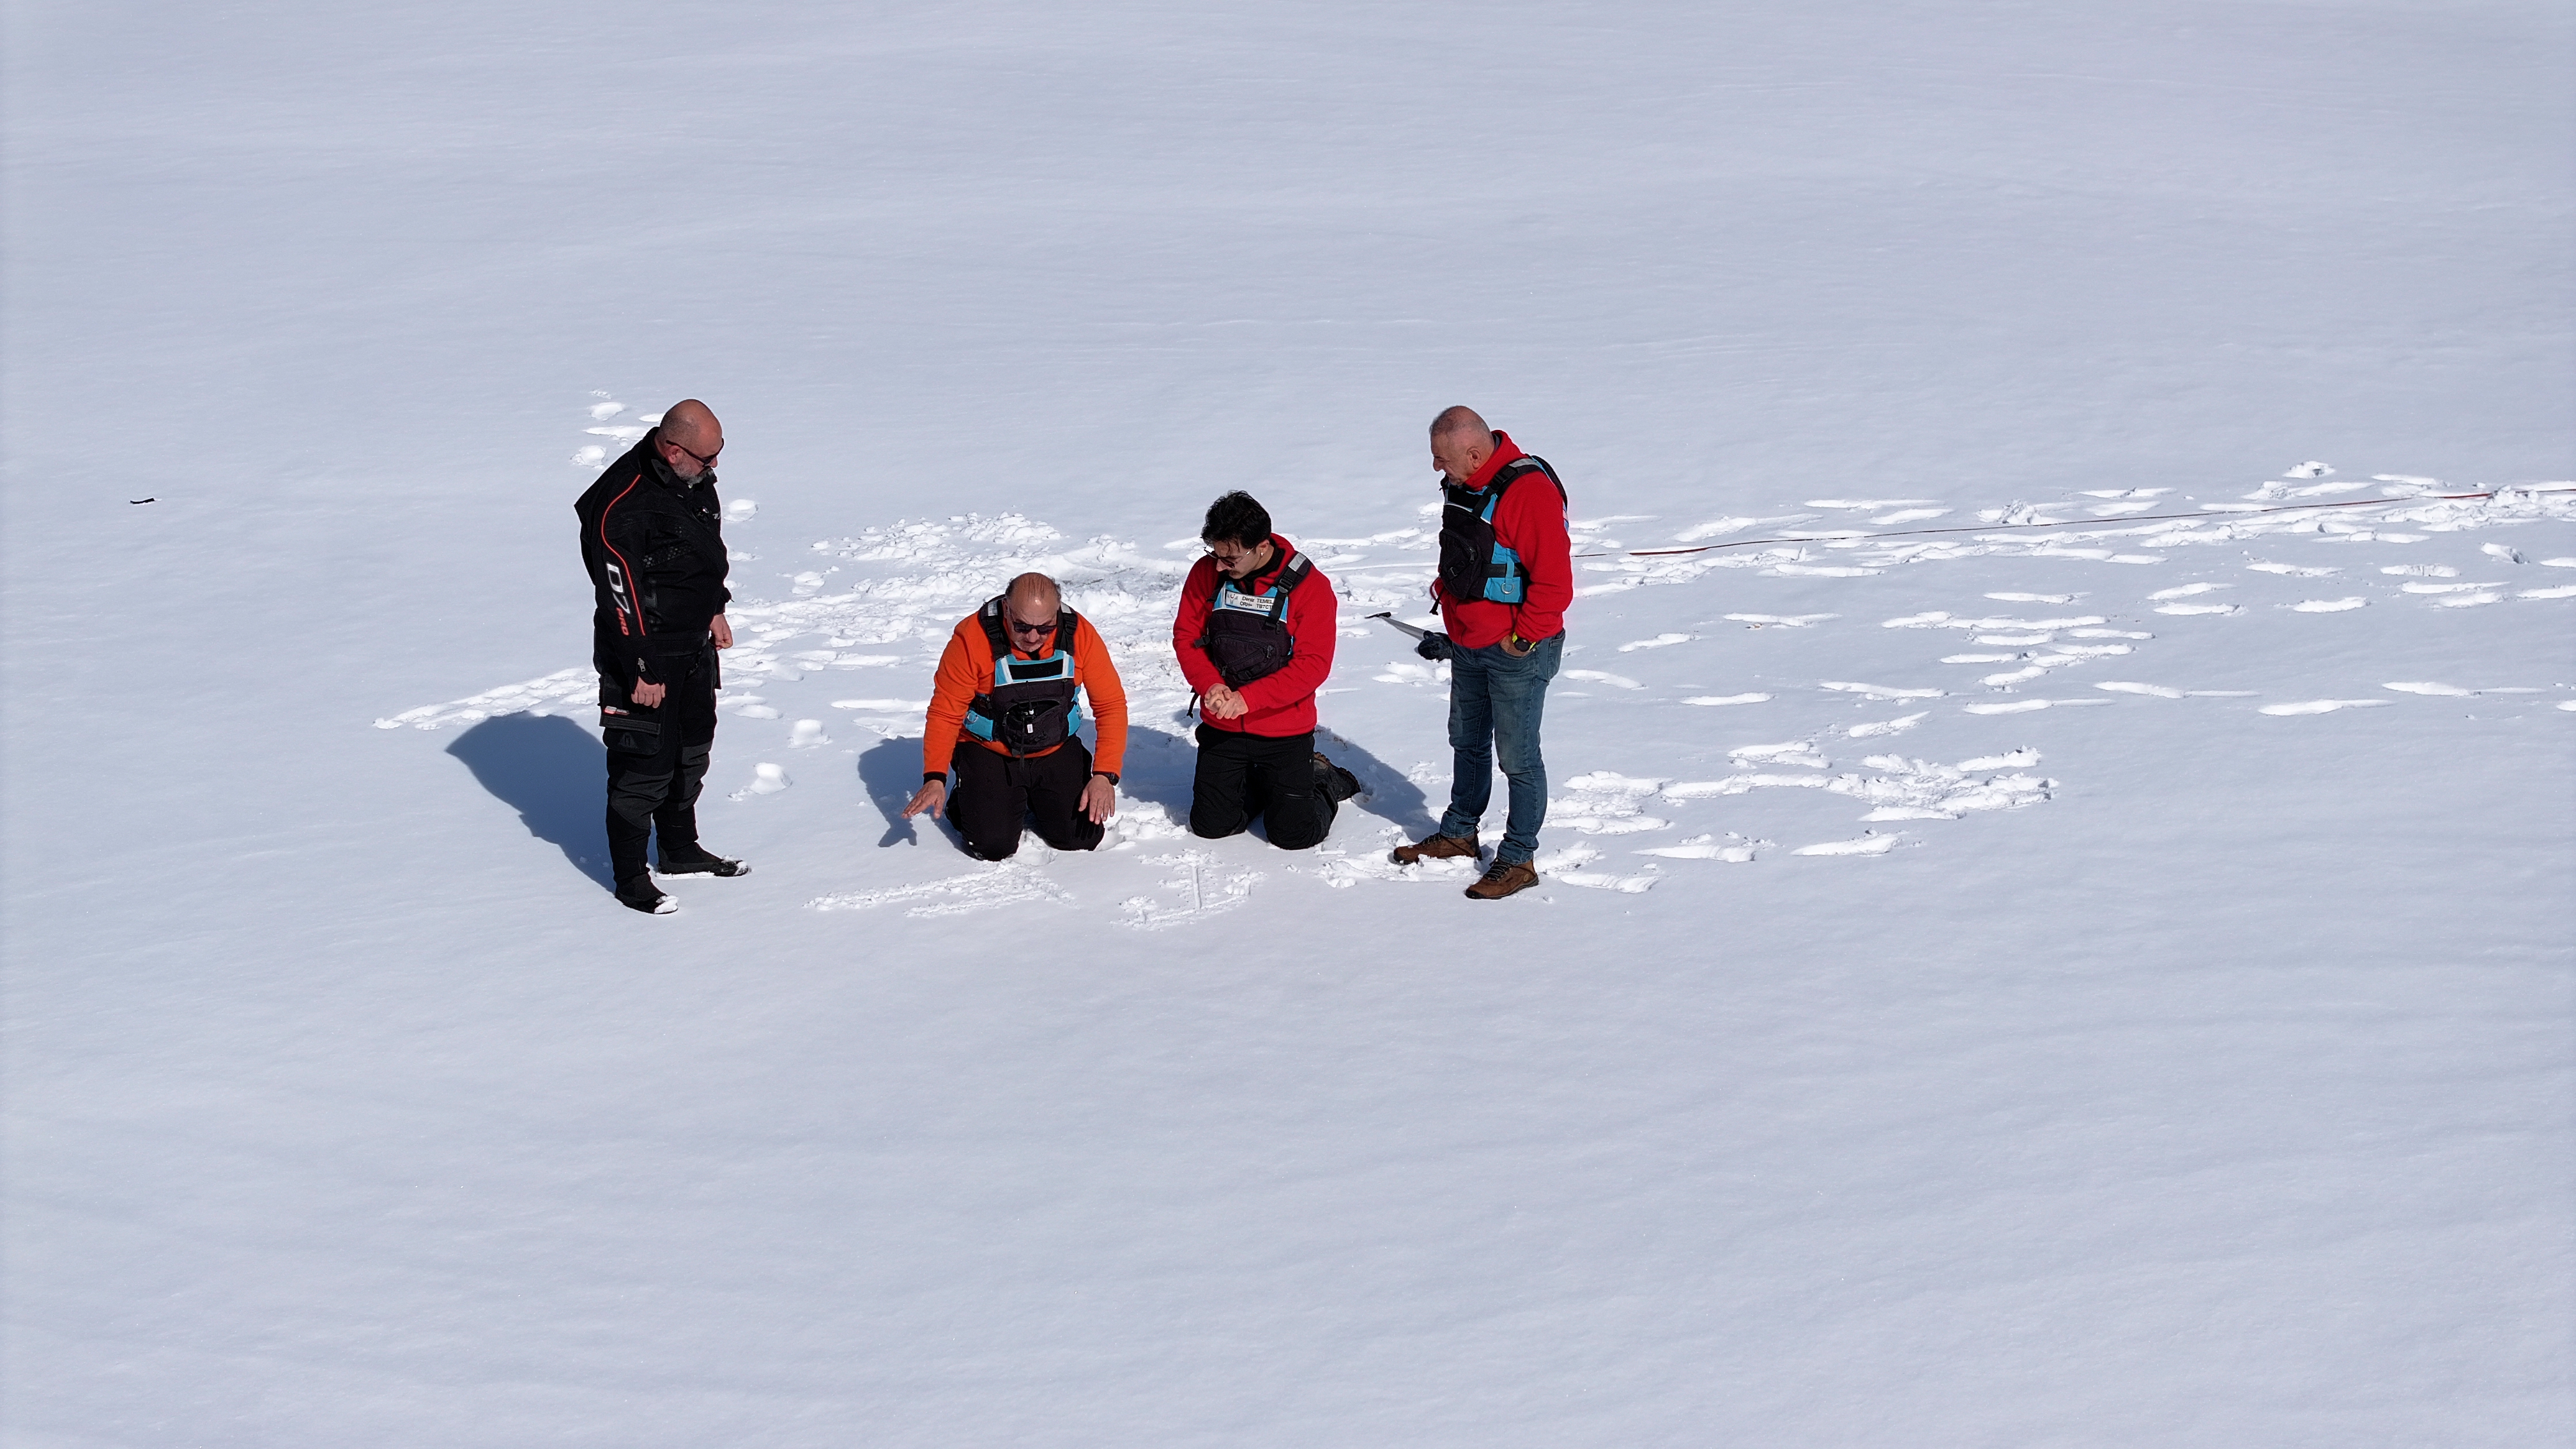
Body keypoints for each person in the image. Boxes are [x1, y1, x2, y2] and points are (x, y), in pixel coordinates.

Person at [574, 399, 749, 914]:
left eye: (719, 456)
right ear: (674, 451)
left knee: (691, 749)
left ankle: (679, 849)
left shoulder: (693, 479)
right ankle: (630, 878)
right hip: (641, 653)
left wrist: (715, 607)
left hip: (692, 643)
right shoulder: (621, 504)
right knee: (643, 764)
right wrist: (641, 666)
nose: (715, 468)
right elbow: (619, 596)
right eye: (706, 458)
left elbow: (703, 550)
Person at [1390, 406, 1572, 900]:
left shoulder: (1528, 491)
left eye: (1440, 459)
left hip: (1516, 650)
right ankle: (1460, 833)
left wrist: (1522, 639)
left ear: (1473, 453)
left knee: (1518, 757)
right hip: (1468, 641)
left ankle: (1518, 859)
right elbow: (1471, 551)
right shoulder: (1464, 481)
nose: (1435, 469)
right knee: (1466, 742)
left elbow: (1554, 585)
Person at [1172, 491, 1360, 850]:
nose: (1219, 565)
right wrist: (1210, 685)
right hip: (1223, 726)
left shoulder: (1310, 588)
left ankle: (1321, 780)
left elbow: (1313, 665)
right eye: (1215, 553)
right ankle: (1257, 783)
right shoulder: (1207, 574)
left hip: (1284, 730)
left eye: (1229, 557)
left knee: (1292, 836)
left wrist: (1248, 699)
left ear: (1261, 546)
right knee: (1212, 826)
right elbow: (1187, 636)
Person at [904, 573, 1127, 859]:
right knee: (992, 847)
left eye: (1045, 629)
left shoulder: (1079, 634)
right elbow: (945, 713)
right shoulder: (972, 638)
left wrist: (1104, 775)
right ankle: (968, 797)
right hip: (990, 750)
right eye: (1022, 626)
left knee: (1079, 838)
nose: (1033, 638)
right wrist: (935, 776)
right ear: (1007, 610)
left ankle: (1043, 792)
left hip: (1054, 746)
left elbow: (1111, 704)